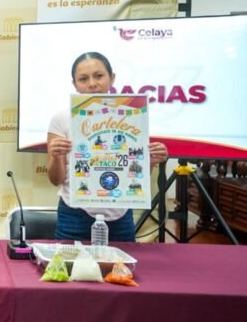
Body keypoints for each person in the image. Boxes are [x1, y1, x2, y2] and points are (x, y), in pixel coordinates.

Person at [46, 52, 168, 242]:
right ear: (74, 84)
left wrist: (150, 161)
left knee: (120, 262)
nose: (92, 84)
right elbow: (56, 179)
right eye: (83, 79)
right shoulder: (61, 118)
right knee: (70, 261)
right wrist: (55, 157)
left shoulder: (133, 114)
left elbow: (134, 174)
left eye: (99, 76)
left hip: (120, 215)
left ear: (112, 78)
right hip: (74, 214)